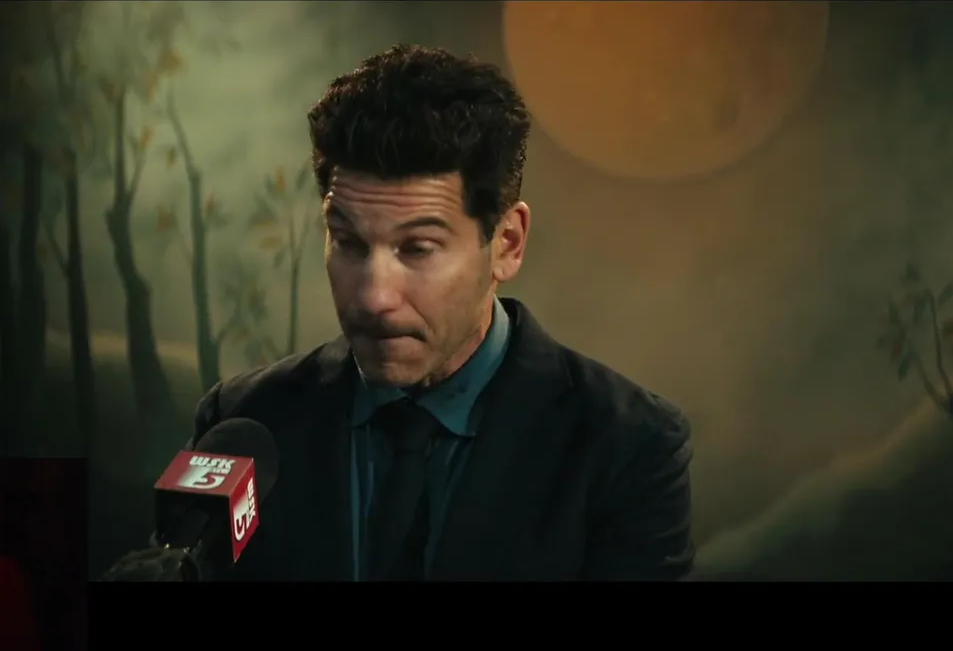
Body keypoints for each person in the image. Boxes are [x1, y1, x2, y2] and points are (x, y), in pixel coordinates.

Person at [188, 43, 694, 581]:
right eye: (349, 243)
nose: (374, 297)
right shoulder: (243, 421)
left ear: (507, 243)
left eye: (418, 249)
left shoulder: (627, 447)